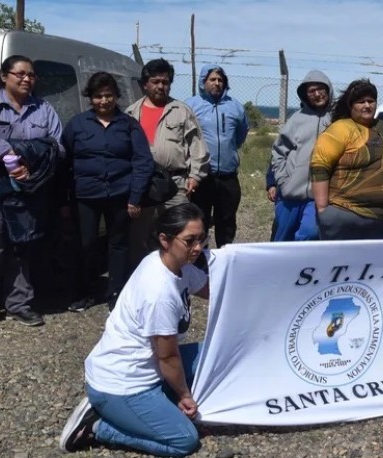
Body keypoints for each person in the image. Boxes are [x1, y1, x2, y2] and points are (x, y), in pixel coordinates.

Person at [59, 203, 210, 457]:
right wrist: (184, 395)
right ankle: (96, 426)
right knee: (185, 440)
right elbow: (168, 357)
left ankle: (151, 406)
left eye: (202, 239)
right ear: (165, 239)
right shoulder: (159, 292)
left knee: (212, 352)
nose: (197, 248)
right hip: (123, 384)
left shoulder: (174, 264)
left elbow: (210, 290)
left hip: (146, 368)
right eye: (190, 240)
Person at [0, 55, 63, 332]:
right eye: (20, 74)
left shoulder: (43, 108)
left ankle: (20, 303)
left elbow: (57, 143)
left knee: (22, 245)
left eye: (31, 75)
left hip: (29, 187)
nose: (27, 79)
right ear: (5, 76)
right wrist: (11, 159)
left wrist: (32, 160)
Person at [62, 72, 155, 312]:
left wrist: (135, 197)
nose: (104, 101)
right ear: (90, 98)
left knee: (119, 244)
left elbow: (142, 162)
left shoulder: (128, 125)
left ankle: (116, 292)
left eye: (109, 95)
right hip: (85, 196)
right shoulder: (77, 125)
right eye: (98, 96)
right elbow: (64, 162)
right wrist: (63, 199)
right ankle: (85, 291)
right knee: (86, 244)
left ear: (116, 96)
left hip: (120, 194)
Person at [126, 58, 209, 267]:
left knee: (180, 233)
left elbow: (197, 144)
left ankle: (184, 275)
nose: (161, 86)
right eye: (155, 81)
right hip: (143, 185)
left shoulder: (181, 110)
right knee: (140, 236)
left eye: (165, 82)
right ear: (145, 84)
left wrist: (195, 175)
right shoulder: (131, 113)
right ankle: (144, 277)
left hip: (176, 184)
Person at [310, 79, 383, 240]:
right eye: (361, 102)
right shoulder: (340, 129)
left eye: (371, 101)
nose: (367, 105)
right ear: (351, 106)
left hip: (381, 220)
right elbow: (319, 167)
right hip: (343, 215)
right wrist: (322, 209)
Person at [185, 65, 249, 248]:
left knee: (227, 221)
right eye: (212, 79)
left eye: (220, 80)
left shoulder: (235, 106)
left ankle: (224, 257)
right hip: (203, 176)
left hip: (228, 176)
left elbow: (240, 134)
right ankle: (200, 261)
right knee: (200, 220)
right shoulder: (191, 106)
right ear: (203, 82)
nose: (217, 83)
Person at [270, 70, 333, 241]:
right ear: (305, 95)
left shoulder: (336, 119)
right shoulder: (296, 119)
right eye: (312, 91)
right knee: (282, 239)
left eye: (321, 89)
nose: (317, 94)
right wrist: (283, 180)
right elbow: (278, 151)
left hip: (318, 195)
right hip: (290, 194)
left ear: (328, 90)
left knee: (309, 234)